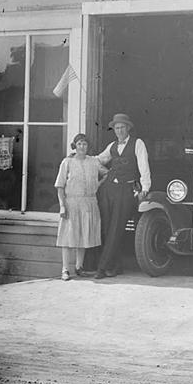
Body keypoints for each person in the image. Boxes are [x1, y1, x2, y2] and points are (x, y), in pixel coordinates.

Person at [94, 113, 150, 278]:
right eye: (116, 128)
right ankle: (116, 266)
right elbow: (97, 160)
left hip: (127, 190)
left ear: (128, 128)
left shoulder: (137, 144)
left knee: (116, 229)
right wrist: (104, 171)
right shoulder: (112, 145)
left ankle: (102, 268)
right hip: (109, 189)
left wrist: (144, 188)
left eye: (122, 127)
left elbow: (144, 167)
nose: (119, 131)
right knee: (106, 228)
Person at [53, 133, 103, 280]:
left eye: (85, 144)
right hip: (72, 203)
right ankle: (65, 269)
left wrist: (97, 185)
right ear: (75, 146)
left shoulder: (93, 162)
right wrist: (62, 206)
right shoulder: (67, 162)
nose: (82, 147)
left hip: (88, 203)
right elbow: (60, 186)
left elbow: (106, 174)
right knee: (68, 237)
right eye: (79, 144)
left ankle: (79, 267)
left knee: (83, 234)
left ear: (88, 147)